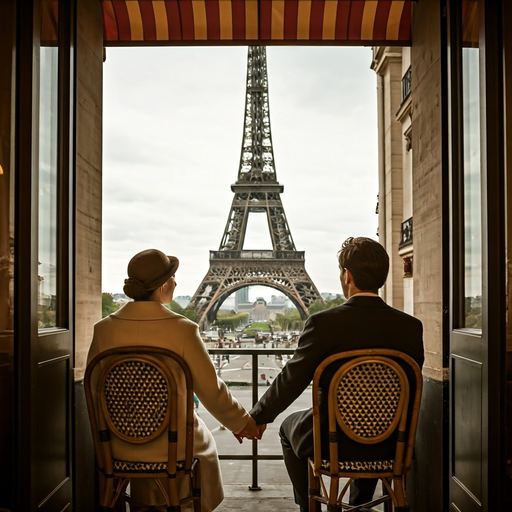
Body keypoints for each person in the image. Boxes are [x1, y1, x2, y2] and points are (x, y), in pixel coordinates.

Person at [244, 237, 424, 511]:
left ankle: (310, 505)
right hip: (389, 442)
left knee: (287, 428)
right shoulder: (411, 328)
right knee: (372, 420)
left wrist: (258, 416)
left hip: (333, 441)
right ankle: (360, 505)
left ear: (347, 275)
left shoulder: (323, 324)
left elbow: (292, 379)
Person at [87, 249, 260, 511]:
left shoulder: (103, 329)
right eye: (174, 277)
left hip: (117, 444)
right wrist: (242, 422)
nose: (176, 282)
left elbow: (94, 389)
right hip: (172, 447)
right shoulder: (183, 329)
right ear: (164, 285)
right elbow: (211, 391)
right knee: (197, 440)